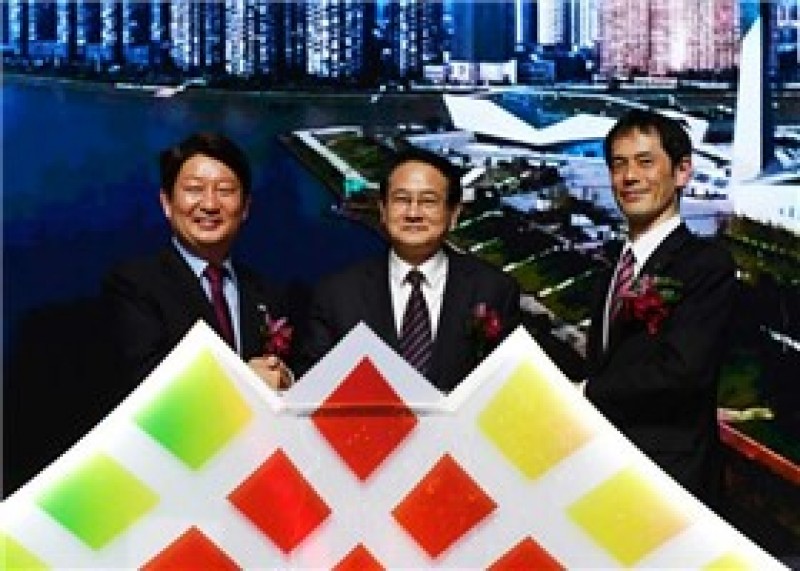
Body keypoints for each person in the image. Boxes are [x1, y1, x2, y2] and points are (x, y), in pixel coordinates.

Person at [584, 109, 736, 508]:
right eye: (619, 164)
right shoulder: (612, 266)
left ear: (682, 171)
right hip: (603, 473)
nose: (629, 176)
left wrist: (585, 392)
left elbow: (685, 371)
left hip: (670, 480)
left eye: (645, 162)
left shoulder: (705, 265)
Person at [297, 147, 521, 393]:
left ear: (453, 214)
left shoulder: (494, 290)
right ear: (383, 211)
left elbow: (508, 388)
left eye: (428, 201)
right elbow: (312, 389)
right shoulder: (337, 293)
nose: (413, 213)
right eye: (402, 200)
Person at [104, 132, 292, 390]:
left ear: (246, 207)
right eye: (194, 189)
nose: (210, 204)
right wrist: (244, 381)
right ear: (167, 203)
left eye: (225, 190)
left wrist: (284, 378)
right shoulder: (134, 285)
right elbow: (146, 379)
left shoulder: (266, 291)